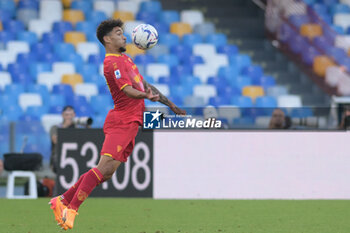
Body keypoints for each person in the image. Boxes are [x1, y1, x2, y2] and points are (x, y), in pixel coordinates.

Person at [49, 18, 186, 230]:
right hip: (122, 120)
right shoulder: (111, 63)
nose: (124, 36)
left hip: (132, 122)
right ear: (107, 39)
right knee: (103, 168)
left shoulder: (127, 60)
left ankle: (62, 200)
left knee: (107, 173)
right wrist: (145, 96)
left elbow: (145, 85)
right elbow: (127, 90)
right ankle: (72, 208)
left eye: (123, 32)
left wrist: (171, 104)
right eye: (118, 32)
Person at [49, 105, 77, 173]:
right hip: (59, 155)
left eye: (71, 115)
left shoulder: (77, 128)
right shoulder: (55, 127)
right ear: (63, 115)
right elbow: (55, 140)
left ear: (74, 115)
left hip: (75, 155)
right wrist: (66, 126)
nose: (69, 117)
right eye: (67, 115)